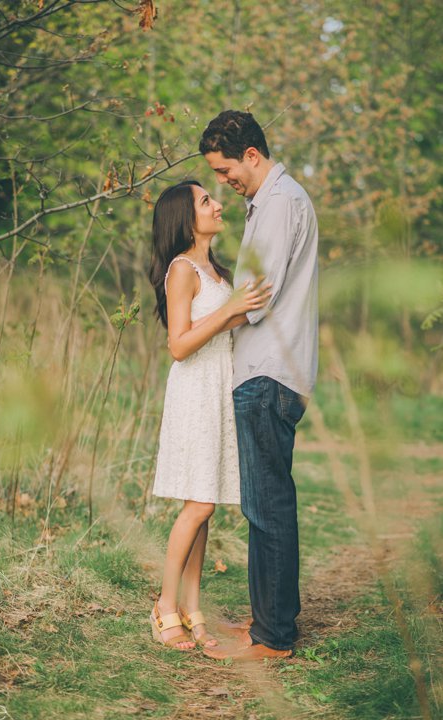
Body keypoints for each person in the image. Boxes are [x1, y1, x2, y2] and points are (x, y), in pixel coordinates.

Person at [198, 110, 319, 661]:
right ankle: (267, 621)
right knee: (265, 502)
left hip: (268, 371)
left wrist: (204, 316)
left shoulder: (278, 203)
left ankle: (273, 638)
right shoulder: (272, 201)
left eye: (225, 170)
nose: (223, 180)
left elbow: (254, 297)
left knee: (266, 506)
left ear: (251, 154)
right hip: (269, 370)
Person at [147, 180, 273, 650]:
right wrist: (231, 312)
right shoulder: (182, 269)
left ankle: (193, 609)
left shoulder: (214, 269)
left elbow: (226, 322)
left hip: (222, 389)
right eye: (206, 201)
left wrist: (251, 307)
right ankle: (164, 606)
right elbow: (178, 345)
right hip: (196, 392)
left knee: (207, 506)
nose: (218, 205)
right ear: (186, 218)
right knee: (197, 504)